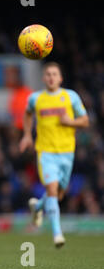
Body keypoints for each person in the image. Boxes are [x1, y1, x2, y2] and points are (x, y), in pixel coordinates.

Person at [19, 62, 89, 248]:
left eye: (54, 74)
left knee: (58, 194)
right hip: (46, 152)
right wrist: (27, 135)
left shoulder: (70, 97)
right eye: (48, 74)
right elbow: (27, 114)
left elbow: (85, 121)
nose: (51, 77)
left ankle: (37, 207)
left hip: (67, 152)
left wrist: (70, 122)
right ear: (44, 78)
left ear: (60, 78)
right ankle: (58, 233)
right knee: (51, 190)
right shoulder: (36, 98)